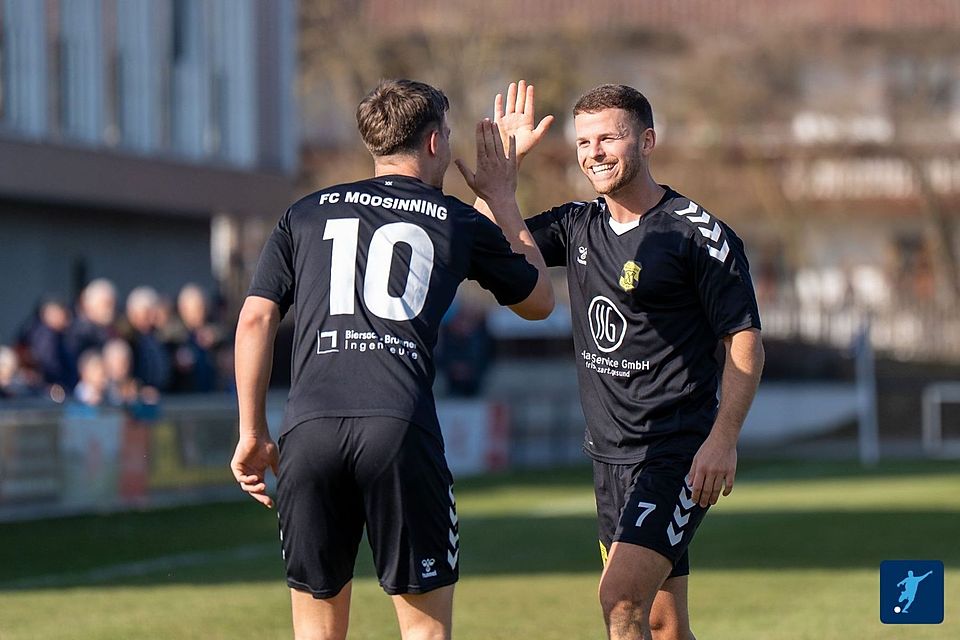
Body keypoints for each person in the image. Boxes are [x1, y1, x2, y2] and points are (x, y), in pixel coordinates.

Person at [229, 78, 553, 640]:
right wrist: (502, 191)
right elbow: (538, 301)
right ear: (433, 143)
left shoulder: (304, 213)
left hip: (309, 429)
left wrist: (251, 431)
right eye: (448, 135)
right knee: (424, 630)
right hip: (398, 427)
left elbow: (255, 319)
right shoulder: (458, 220)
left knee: (316, 631)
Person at [482, 81, 764, 640]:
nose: (594, 153)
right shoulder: (577, 225)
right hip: (608, 457)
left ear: (647, 140)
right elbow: (487, 246)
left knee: (619, 599)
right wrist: (501, 179)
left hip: (676, 453)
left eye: (609, 138)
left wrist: (722, 439)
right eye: (584, 142)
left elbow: (745, 339)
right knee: (661, 622)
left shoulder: (698, 234)